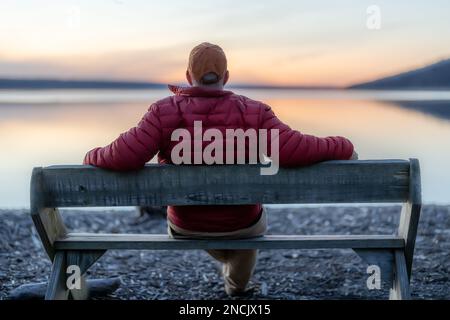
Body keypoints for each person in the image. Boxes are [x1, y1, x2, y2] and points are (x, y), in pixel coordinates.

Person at [83, 42, 357, 296]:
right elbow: (295, 149)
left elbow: (122, 156)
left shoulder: (162, 112)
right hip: (243, 223)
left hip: (186, 224)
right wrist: (342, 146)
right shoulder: (254, 111)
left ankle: (231, 272)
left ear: (189, 76)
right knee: (247, 231)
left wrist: (91, 156)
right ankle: (236, 285)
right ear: (226, 76)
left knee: (212, 225)